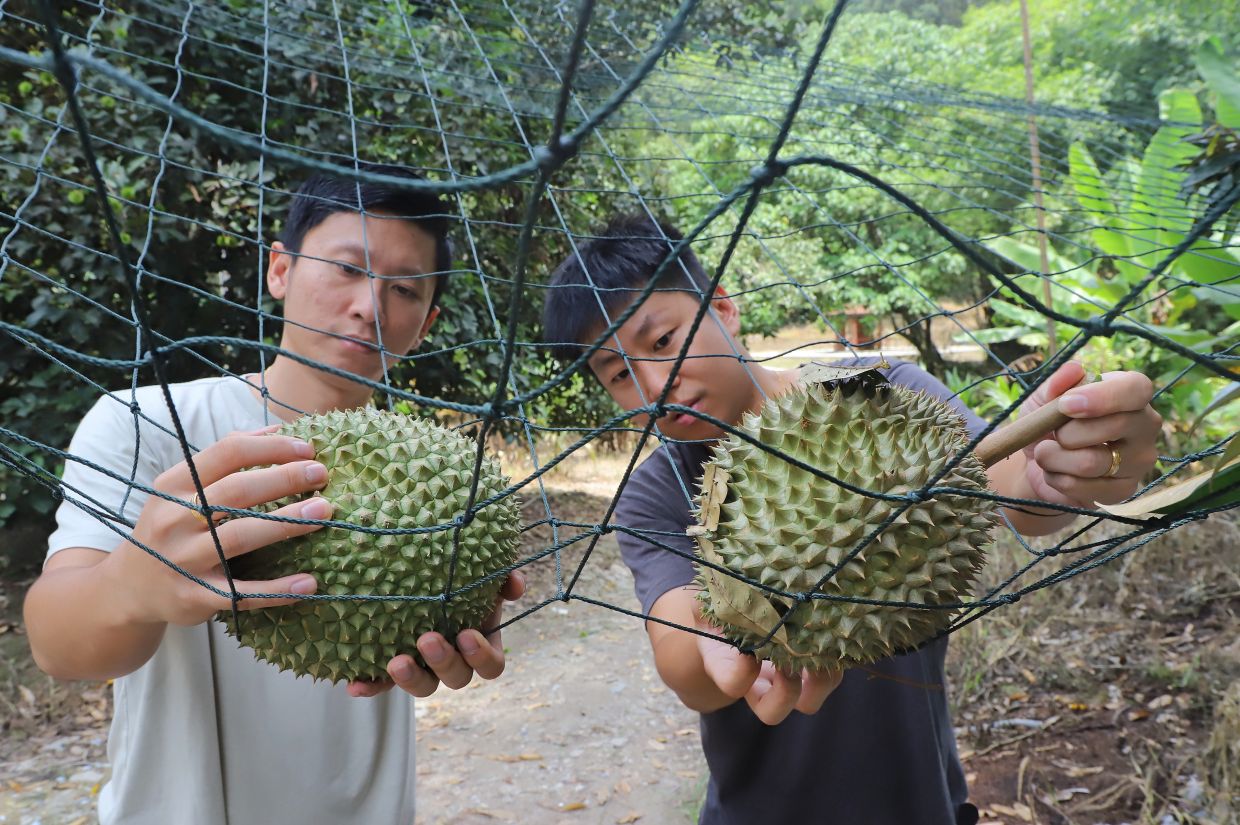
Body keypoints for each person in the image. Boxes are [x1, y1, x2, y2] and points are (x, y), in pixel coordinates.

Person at [541, 213, 1162, 824]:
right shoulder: (654, 492)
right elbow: (685, 664)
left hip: (920, 800)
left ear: (723, 307)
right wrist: (730, 627)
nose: (656, 383)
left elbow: (1011, 488)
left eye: (663, 341)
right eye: (620, 374)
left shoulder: (879, 390)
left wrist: (1060, 458)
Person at [24, 165, 523, 825]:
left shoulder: (446, 474)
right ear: (280, 269)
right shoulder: (147, 423)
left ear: (426, 323)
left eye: (403, 288)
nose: (369, 306)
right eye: (348, 268)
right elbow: (57, 644)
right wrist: (129, 585)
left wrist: (459, 618)